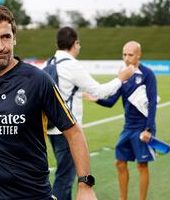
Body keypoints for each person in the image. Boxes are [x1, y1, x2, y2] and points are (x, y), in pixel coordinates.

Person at [0, 6, 97, 200]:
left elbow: (73, 132)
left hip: (32, 195)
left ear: (14, 38)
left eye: (6, 37)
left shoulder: (38, 80)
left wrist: (85, 185)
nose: (0, 46)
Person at [44, 26, 134, 200]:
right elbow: (100, 91)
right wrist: (121, 78)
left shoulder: (49, 63)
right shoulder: (71, 65)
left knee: (62, 174)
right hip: (68, 131)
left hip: (50, 127)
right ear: (75, 43)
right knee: (65, 178)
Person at [85, 41, 157, 200]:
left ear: (139, 55)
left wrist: (149, 129)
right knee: (120, 162)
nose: (126, 58)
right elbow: (111, 102)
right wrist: (95, 99)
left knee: (142, 165)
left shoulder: (148, 74)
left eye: (130, 54)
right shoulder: (123, 76)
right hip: (128, 127)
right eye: (124, 54)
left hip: (142, 127)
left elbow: (152, 103)